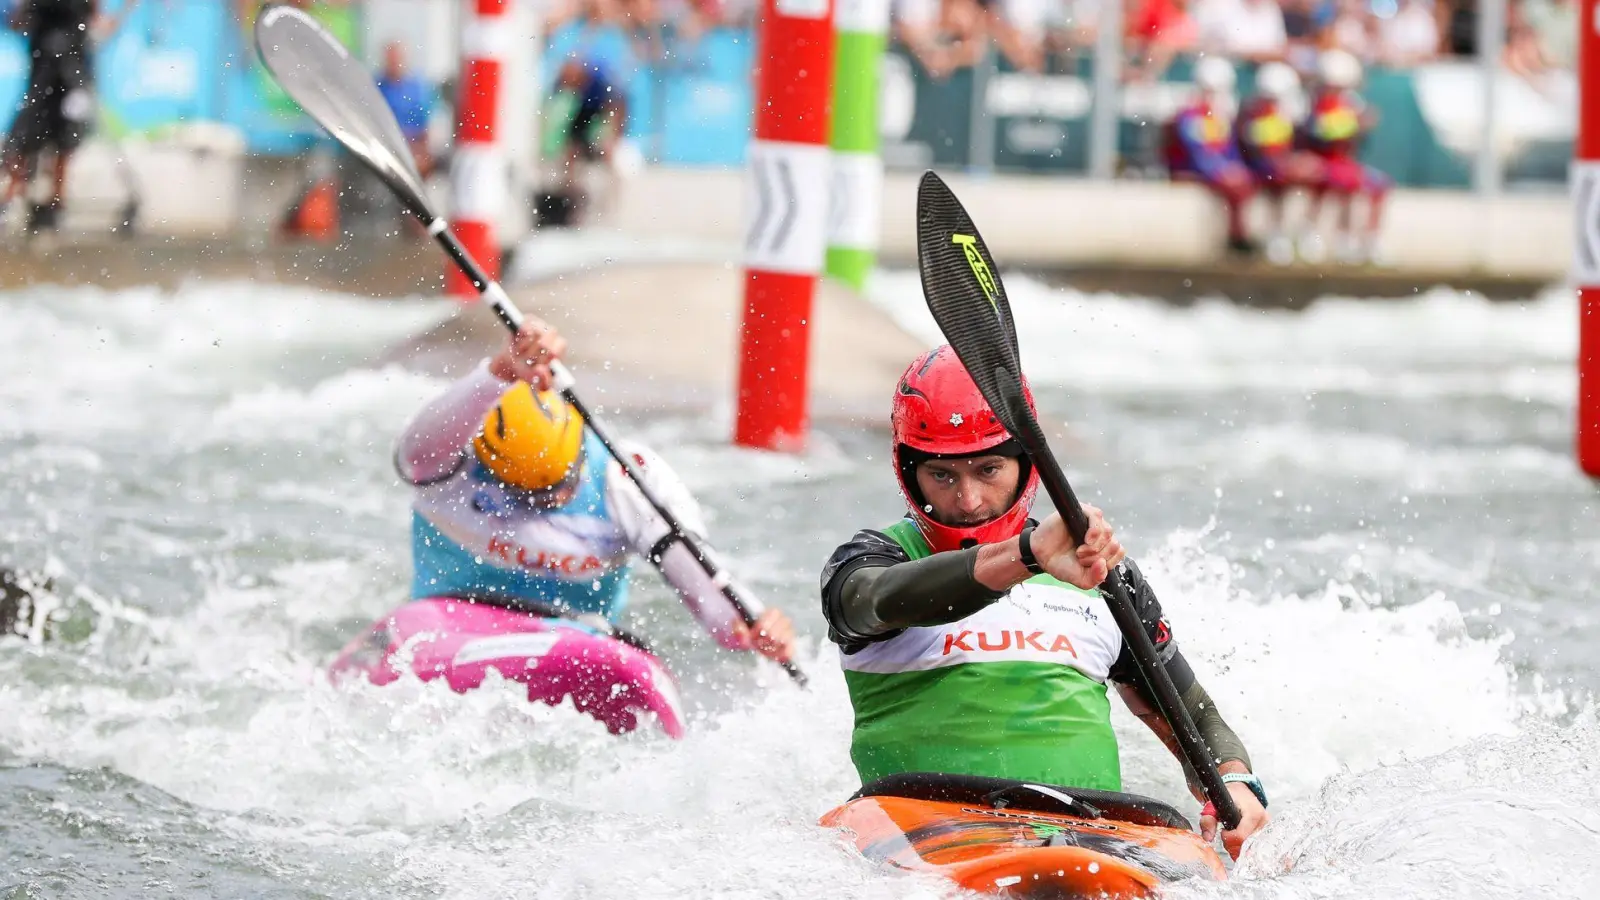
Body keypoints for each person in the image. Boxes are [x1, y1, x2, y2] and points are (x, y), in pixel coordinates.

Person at [820, 347, 1271, 859]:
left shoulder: (1101, 572)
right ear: (909, 471)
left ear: (1024, 464)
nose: (968, 500)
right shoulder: (869, 564)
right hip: (922, 830)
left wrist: (1237, 784)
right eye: (943, 476)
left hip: (1097, 841)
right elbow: (882, 601)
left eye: (988, 470)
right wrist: (1027, 555)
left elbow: (1194, 716)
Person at [394, 318, 796, 669]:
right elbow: (413, 454)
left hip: (576, 643)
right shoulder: (446, 462)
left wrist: (750, 627)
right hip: (448, 630)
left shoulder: (629, 481)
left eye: (555, 490)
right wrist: (500, 371)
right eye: (525, 496)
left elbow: (710, 599)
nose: (543, 505)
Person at [2, 0, 103, 235]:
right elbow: (18, 22)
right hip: (45, 69)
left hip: (69, 70)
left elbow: (96, 19)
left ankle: (53, 201)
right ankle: (16, 195)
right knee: (26, 135)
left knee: (63, 138)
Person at [1300, 48, 1391, 264]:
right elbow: (1320, 133)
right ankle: (1320, 237)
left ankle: (1368, 239)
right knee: (1343, 184)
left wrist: (1359, 124)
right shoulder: (1315, 102)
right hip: (1324, 162)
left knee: (1380, 184)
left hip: (1345, 163)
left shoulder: (1349, 102)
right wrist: (1356, 123)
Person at [1164, 56, 1258, 257]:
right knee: (1236, 186)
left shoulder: (1219, 117)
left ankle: (1240, 236)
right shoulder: (1189, 117)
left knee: (1244, 181)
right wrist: (1222, 171)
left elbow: (1229, 150)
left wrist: (1233, 168)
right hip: (1191, 170)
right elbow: (1196, 154)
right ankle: (1238, 236)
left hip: (1214, 170)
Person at [1236, 61, 1323, 264]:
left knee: (1319, 175)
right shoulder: (1252, 112)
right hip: (1259, 166)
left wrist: (1300, 160)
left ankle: (1306, 230)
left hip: (1282, 164)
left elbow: (1301, 142)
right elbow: (1255, 148)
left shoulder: (1291, 111)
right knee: (1279, 179)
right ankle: (1276, 233)